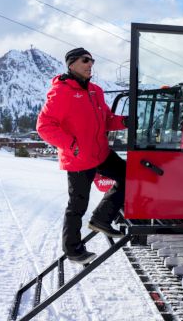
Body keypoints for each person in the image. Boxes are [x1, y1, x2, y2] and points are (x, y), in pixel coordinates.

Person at [36, 47, 128, 265]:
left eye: (92, 60)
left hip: (101, 153)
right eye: (85, 60)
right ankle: (73, 250)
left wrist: (123, 122)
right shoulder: (61, 92)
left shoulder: (96, 90)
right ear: (72, 64)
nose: (90, 64)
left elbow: (106, 119)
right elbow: (44, 126)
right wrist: (71, 145)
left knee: (130, 176)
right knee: (77, 206)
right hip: (77, 158)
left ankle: (101, 218)